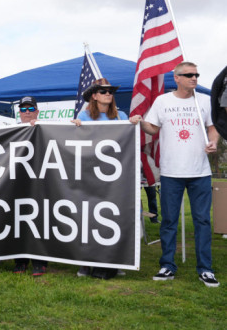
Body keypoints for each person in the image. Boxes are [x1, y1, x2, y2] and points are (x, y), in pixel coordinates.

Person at [139, 62, 220, 287]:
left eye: (196, 74)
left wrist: (213, 142)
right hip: (171, 171)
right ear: (176, 78)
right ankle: (167, 265)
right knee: (169, 221)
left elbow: (212, 127)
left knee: (203, 221)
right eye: (189, 75)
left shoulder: (203, 100)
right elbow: (152, 128)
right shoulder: (163, 101)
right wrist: (141, 122)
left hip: (200, 171)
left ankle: (205, 269)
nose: (194, 78)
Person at [70, 79, 141, 278]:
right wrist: (75, 127)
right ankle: (85, 262)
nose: (108, 94)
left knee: (114, 217)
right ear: (94, 95)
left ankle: (114, 262)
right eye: (103, 91)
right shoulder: (84, 115)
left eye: (110, 91)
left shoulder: (121, 116)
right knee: (88, 217)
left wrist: (133, 124)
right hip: (90, 174)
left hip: (115, 176)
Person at [12, 95, 47, 276]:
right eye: (23, 109)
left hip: (40, 183)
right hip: (18, 182)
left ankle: (40, 261)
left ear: (37, 111)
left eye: (30, 109)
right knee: (19, 220)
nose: (27, 112)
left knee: (40, 221)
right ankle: (20, 261)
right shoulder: (12, 130)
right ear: (19, 112)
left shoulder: (47, 129)